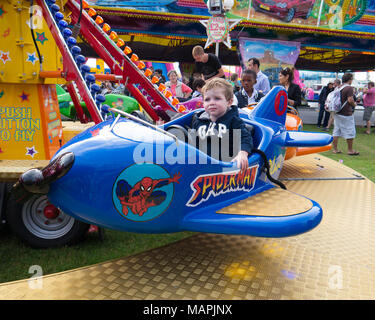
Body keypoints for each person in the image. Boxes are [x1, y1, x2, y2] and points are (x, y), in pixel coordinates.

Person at [191, 78, 253, 171]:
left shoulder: (234, 121)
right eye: (207, 99)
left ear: (229, 102)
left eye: (217, 98)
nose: (211, 103)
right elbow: (192, 142)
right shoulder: (199, 120)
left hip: (224, 166)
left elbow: (245, 137)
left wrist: (242, 153)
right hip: (201, 165)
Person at [332, 72, 359, 156]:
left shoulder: (338, 87)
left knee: (336, 130)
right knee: (350, 131)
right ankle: (350, 150)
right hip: (346, 112)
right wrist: (355, 105)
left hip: (337, 111)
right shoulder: (349, 88)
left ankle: (335, 149)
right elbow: (350, 100)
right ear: (350, 79)